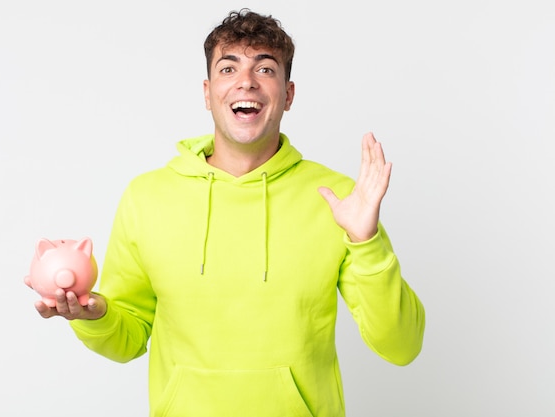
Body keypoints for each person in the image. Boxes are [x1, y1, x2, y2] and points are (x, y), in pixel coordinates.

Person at [31, 8, 425, 417]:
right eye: (228, 67)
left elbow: (401, 346)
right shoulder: (147, 196)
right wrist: (94, 316)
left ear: (288, 94)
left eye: (266, 69)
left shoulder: (338, 199)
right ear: (207, 92)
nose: (246, 82)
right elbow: (126, 340)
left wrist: (367, 243)